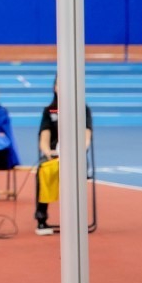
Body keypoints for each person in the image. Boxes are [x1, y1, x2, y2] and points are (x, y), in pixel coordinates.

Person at [35, 76, 93, 235]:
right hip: (53, 158)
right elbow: (44, 139)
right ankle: (41, 218)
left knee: (74, 171)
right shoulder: (50, 111)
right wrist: (48, 153)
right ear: (55, 88)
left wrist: (76, 153)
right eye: (60, 85)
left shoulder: (82, 109)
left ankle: (76, 219)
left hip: (76, 158)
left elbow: (86, 137)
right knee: (43, 170)